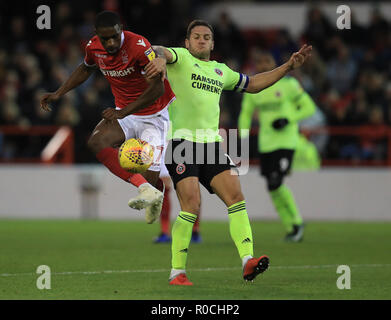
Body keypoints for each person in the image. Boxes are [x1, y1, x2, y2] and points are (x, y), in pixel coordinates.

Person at [145, 20, 312, 285]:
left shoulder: (221, 71)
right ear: (187, 42)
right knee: (191, 204)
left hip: (211, 145)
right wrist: (161, 57)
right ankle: (177, 272)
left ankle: (248, 261)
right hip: (182, 143)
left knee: (235, 196)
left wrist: (289, 66)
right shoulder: (181, 57)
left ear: (212, 43)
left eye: (207, 37)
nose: (201, 40)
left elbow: (255, 83)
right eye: (196, 36)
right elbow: (157, 48)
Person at [40, 11, 175, 223]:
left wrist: (123, 111)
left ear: (121, 29)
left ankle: (153, 194)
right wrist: (59, 92)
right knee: (96, 142)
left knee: (152, 179)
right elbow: (85, 68)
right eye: (105, 38)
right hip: (125, 113)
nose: (111, 42)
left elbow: (157, 90)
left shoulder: (139, 46)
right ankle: (147, 190)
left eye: (114, 36)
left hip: (153, 115)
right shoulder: (93, 47)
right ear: (97, 35)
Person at [238, 51, 316, 242]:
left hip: (286, 142)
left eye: (267, 61)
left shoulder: (289, 85)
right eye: (260, 62)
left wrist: (288, 119)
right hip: (266, 144)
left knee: (276, 181)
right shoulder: (254, 87)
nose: (264, 65)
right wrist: (242, 138)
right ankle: (291, 227)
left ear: (274, 63)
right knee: (272, 186)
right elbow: (245, 114)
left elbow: (309, 107)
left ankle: (297, 222)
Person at [154, 163, 202, 244]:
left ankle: (194, 231)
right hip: (164, 151)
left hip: (184, 152)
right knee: (163, 186)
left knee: (191, 190)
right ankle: (165, 232)